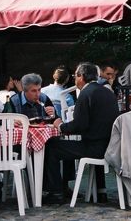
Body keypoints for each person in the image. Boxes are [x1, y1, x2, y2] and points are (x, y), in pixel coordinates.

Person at [43, 62, 119, 204]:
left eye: (75, 76)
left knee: (52, 145)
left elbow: (79, 125)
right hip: (111, 146)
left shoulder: (86, 93)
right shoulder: (108, 92)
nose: (74, 80)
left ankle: (56, 191)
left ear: (82, 77)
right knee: (65, 145)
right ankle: (98, 191)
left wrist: (60, 125)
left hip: (94, 148)